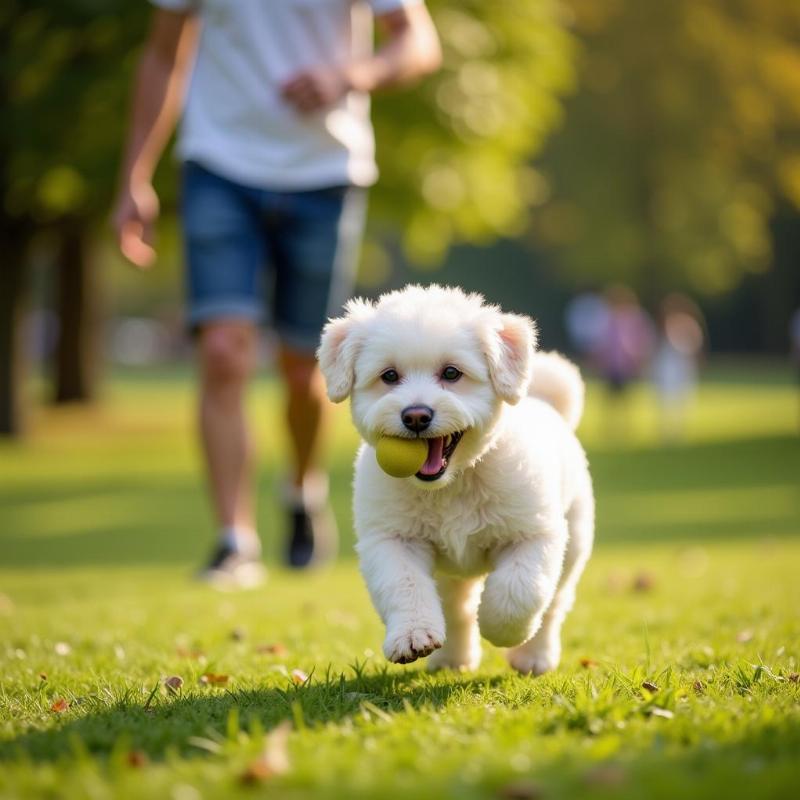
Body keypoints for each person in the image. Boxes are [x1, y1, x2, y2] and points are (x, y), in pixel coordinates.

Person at [112, 0, 441, 585]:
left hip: (325, 173)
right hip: (218, 165)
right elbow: (163, 51)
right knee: (222, 351)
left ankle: (301, 487)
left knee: (303, 367)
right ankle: (234, 540)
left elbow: (417, 41)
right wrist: (135, 176)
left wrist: (348, 76)